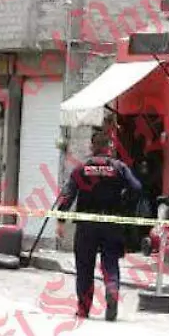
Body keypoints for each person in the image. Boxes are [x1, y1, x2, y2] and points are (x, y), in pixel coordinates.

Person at [55, 130, 142, 321]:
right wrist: (125, 205)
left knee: (84, 267)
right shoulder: (119, 167)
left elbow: (68, 195)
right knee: (110, 262)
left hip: (86, 225)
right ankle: (112, 289)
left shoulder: (81, 169)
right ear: (109, 147)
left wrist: (60, 220)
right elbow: (136, 187)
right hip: (112, 223)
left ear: (92, 146)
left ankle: (84, 309)